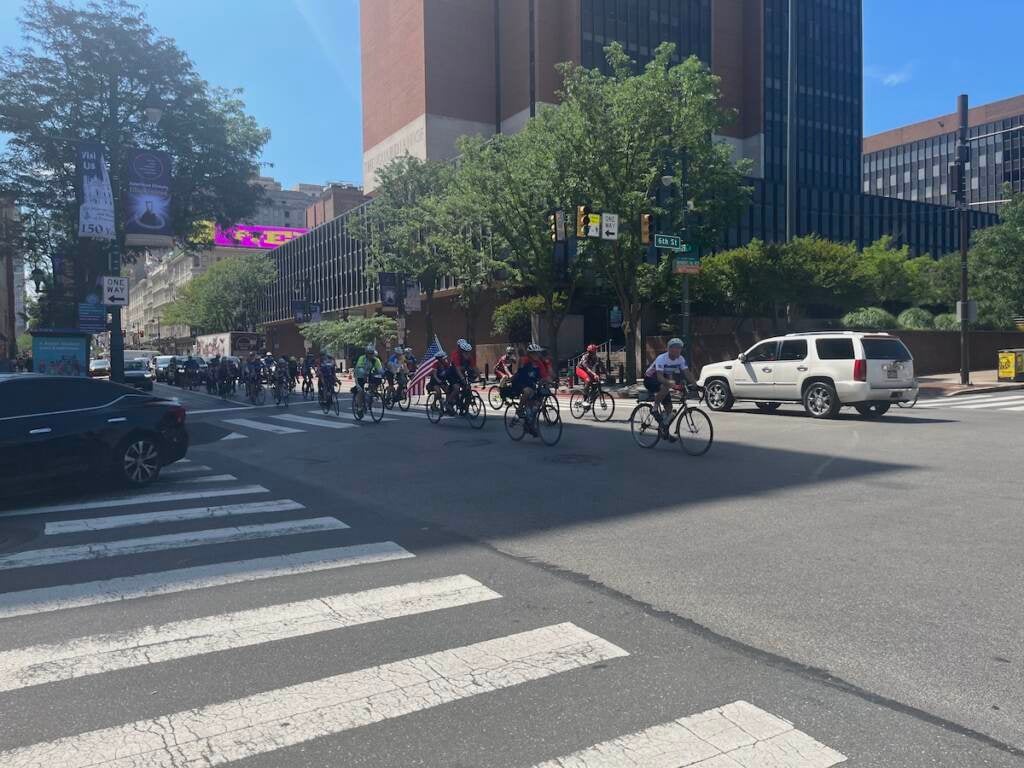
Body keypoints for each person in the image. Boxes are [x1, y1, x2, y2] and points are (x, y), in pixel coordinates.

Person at [643, 337, 699, 438]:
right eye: (674, 348)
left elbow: (687, 373)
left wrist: (696, 385)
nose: (677, 350)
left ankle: (664, 431)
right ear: (669, 349)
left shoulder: (680, 359)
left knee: (669, 409)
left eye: (679, 348)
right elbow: (660, 377)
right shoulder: (662, 358)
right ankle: (654, 409)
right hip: (651, 379)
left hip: (664, 381)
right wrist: (672, 384)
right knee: (666, 386)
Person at [508, 344, 547, 434]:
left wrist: (549, 381)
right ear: (530, 354)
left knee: (536, 404)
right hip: (520, 382)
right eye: (535, 354)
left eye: (538, 353)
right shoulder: (524, 361)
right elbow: (519, 373)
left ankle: (530, 425)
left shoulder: (539, 363)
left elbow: (544, 376)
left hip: (532, 384)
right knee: (528, 391)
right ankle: (519, 410)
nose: (537, 355)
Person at [449, 339, 476, 411]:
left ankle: (464, 407)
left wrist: (480, 377)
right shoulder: (455, 355)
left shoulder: (468, 356)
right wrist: (463, 379)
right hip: (452, 374)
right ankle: (448, 403)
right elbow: (457, 369)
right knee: (457, 388)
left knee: (468, 389)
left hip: (461, 373)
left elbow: (474, 367)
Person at [354, 344, 384, 409]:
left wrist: (383, 374)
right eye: (369, 353)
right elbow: (359, 367)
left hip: (369, 374)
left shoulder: (376, 360)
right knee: (361, 391)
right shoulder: (362, 358)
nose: (371, 355)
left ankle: (370, 396)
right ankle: (359, 407)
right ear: (366, 353)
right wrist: (364, 373)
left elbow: (380, 369)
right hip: (359, 374)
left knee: (374, 383)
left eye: (372, 353)